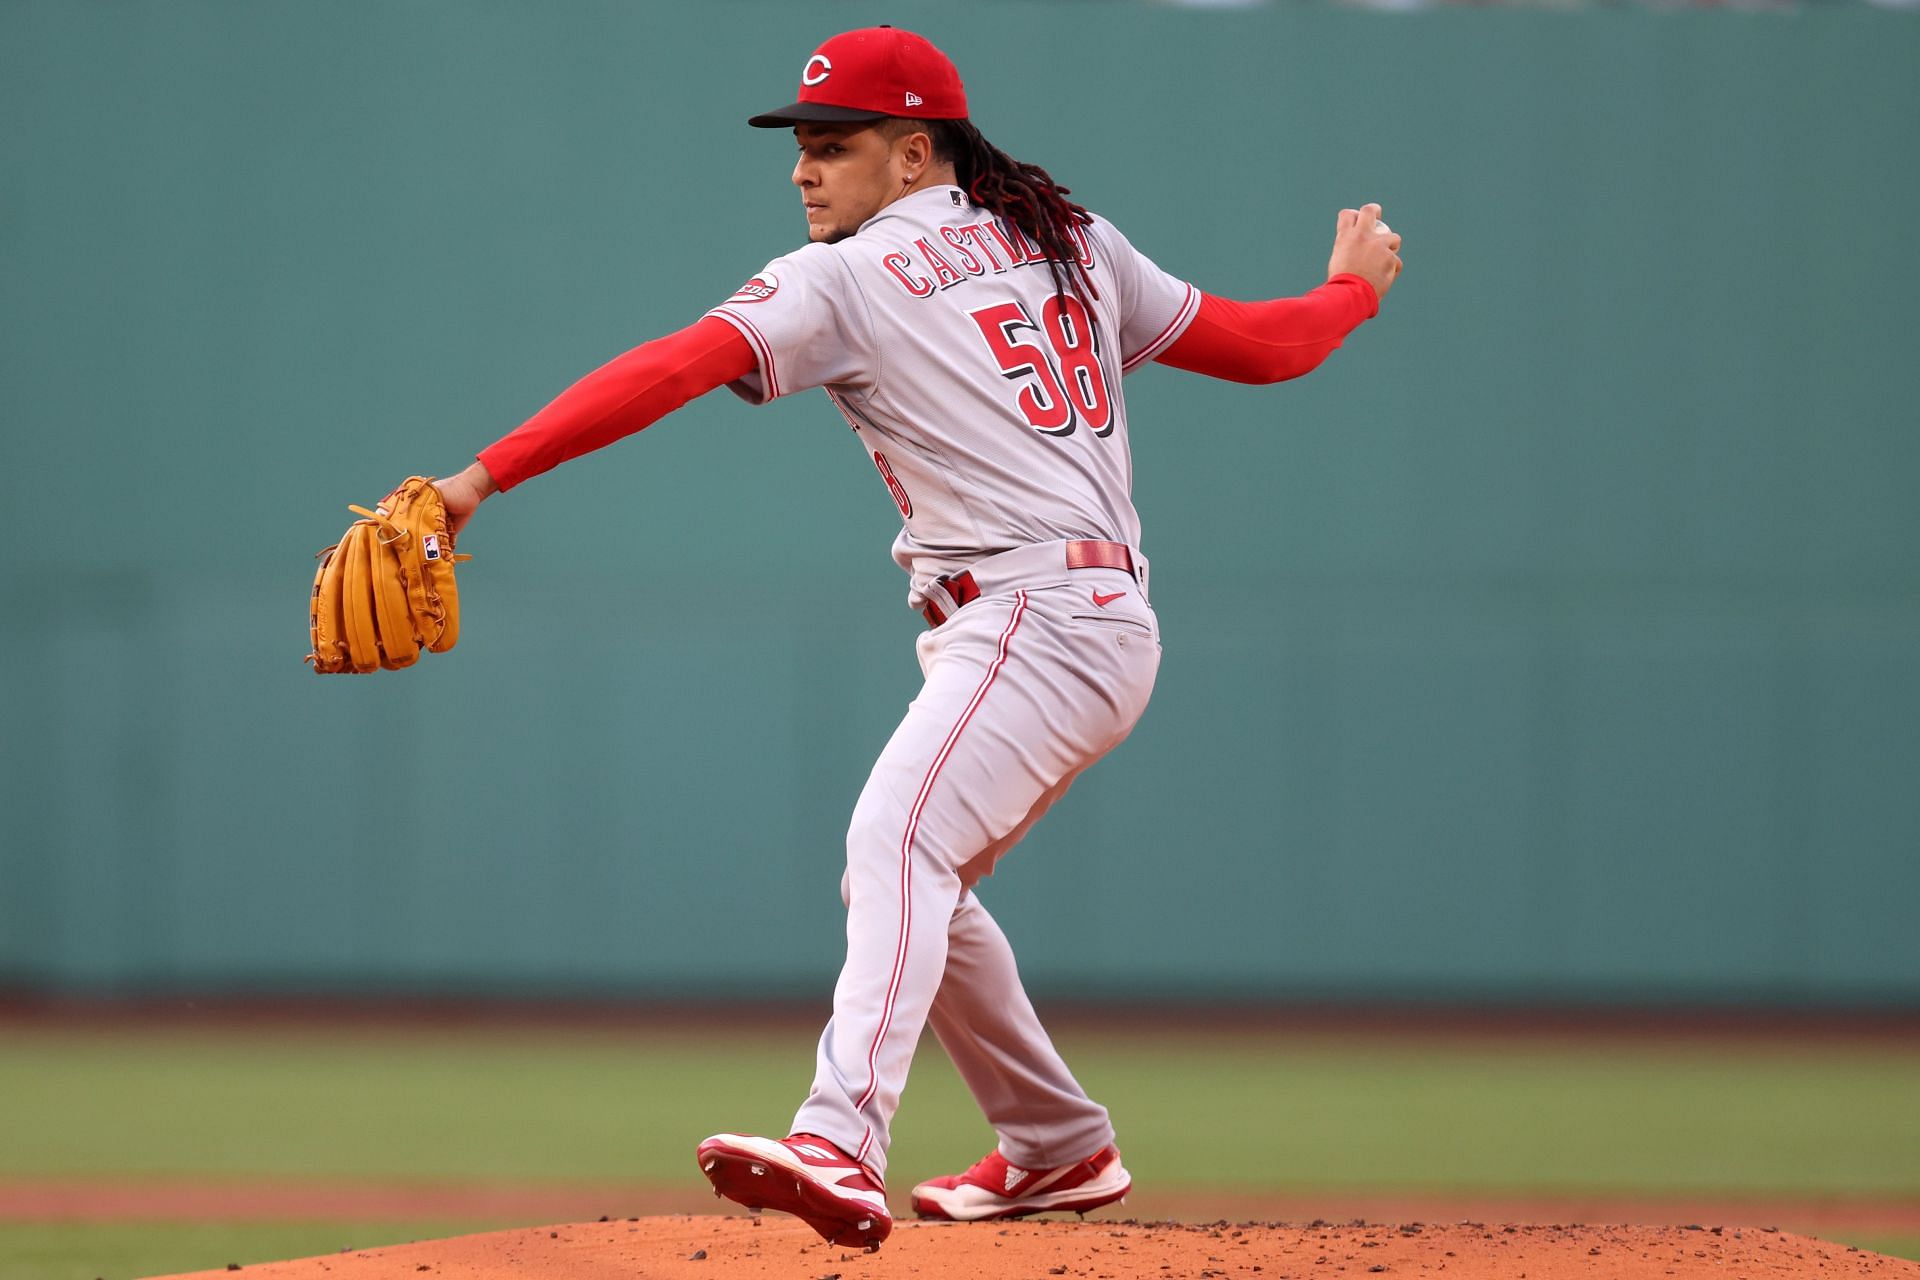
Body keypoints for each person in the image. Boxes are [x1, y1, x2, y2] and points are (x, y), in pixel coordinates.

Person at [432, 25, 1401, 1253]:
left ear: (912, 150)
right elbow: (1269, 347)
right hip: (1086, 622)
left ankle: (841, 1138)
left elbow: (673, 367)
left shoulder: (847, 274)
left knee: (893, 838)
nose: (802, 170)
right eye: (798, 147)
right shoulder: (1067, 240)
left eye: (831, 145)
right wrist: (1353, 286)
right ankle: (1058, 1144)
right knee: (920, 875)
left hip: (1033, 620)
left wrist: (481, 478)